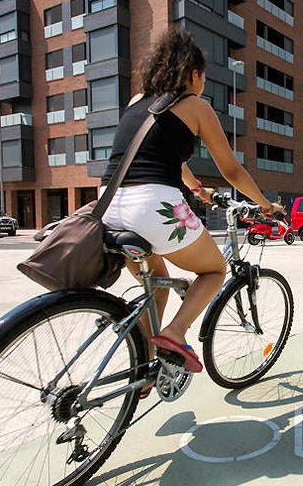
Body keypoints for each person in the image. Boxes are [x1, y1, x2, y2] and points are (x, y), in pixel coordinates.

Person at [100, 28, 283, 387]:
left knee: (158, 287)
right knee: (214, 270)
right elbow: (230, 170)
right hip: (152, 206)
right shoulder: (195, 105)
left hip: (109, 203)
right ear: (193, 73)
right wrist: (266, 206)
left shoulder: (138, 100)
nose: (203, 85)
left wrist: (196, 189)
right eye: (203, 77)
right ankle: (174, 334)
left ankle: (144, 372)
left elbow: (157, 155)